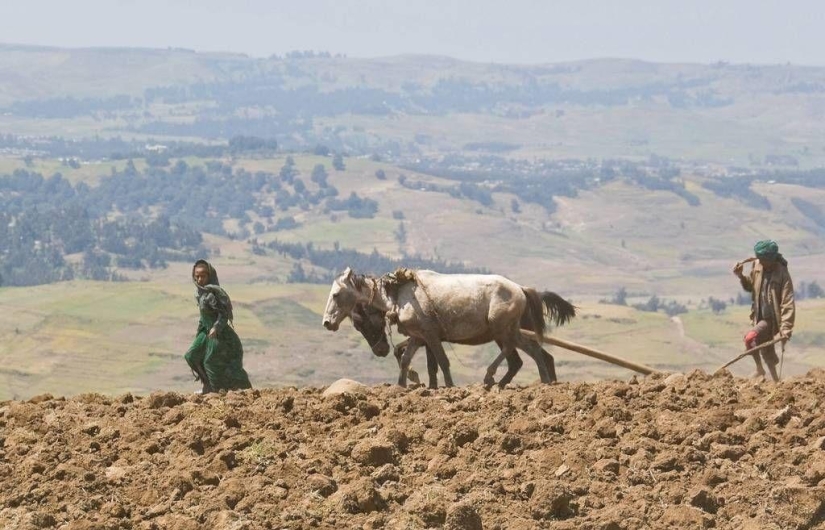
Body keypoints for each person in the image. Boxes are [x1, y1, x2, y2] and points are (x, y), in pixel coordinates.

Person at [185, 259, 252, 393]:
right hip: (206, 331)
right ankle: (206, 384)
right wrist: (199, 332)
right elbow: (203, 316)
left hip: (219, 334)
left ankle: (217, 391)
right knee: (191, 355)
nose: (199, 279)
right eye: (197, 276)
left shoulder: (212, 294)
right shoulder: (200, 293)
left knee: (210, 361)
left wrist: (216, 327)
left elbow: (223, 315)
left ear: (209, 276)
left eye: (203, 276)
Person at [732, 240, 795, 381]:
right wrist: (741, 276)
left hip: (771, 319)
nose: (760, 261)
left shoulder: (782, 274)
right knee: (766, 350)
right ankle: (776, 382)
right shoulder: (757, 266)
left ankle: (759, 369)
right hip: (758, 316)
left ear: (771, 259)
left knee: (750, 338)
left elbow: (788, 302)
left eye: (763, 260)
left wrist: (786, 328)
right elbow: (750, 287)